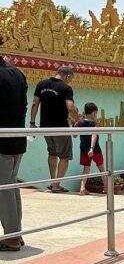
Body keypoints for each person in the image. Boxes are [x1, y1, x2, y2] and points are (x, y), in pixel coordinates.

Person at [30, 64, 78, 192]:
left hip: (45, 127)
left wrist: (32, 122)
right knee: (64, 156)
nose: (70, 81)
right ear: (67, 75)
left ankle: (53, 182)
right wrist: (77, 121)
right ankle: (56, 184)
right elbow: (71, 107)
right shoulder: (66, 88)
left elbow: (35, 104)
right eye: (71, 78)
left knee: (52, 153)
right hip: (60, 127)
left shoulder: (41, 84)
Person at [0, 41, 28, 251]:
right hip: (17, 136)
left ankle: (11, 237)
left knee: (4, 187)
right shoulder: (17, 73)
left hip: (2, 138)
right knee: (10, 185)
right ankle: (16, 233)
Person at [75, 102, 106, 194]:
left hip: (84, 149)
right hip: (95, 150)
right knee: (101, 168)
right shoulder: (95, 124)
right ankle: (107, 187)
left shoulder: (79, 123)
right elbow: (94, 134)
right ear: (93, 113)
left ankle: (82, 188)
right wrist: (92, 148)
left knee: (86, 168)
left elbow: (74, 135)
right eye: (96, 113)